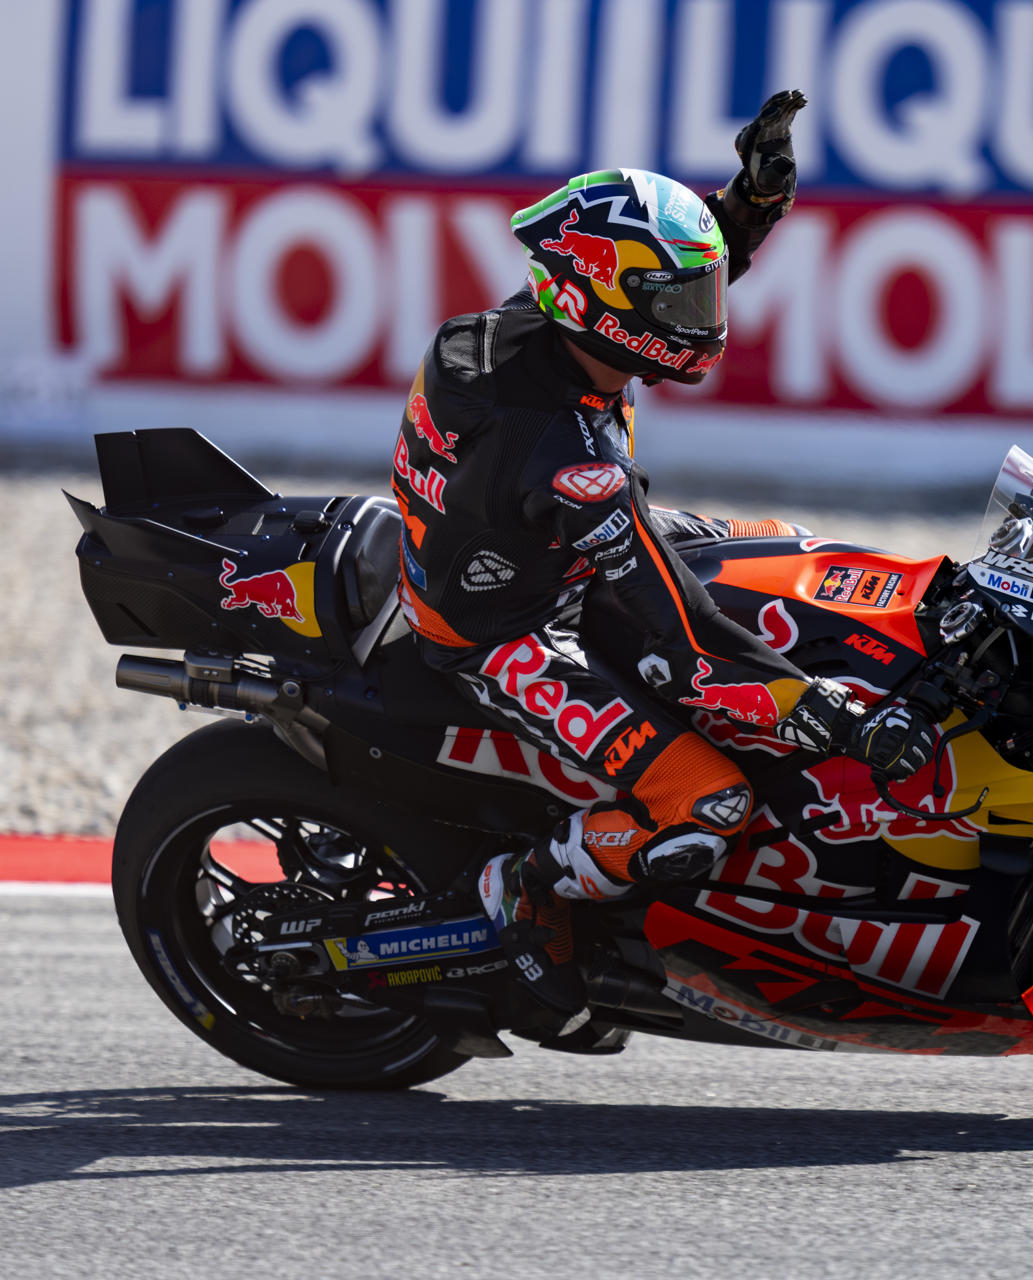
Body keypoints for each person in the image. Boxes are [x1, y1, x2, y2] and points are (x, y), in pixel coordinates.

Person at [387, 91, 939, 1034]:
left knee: (794, 554)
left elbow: (656, 273)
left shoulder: (552, 327)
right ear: (599, 303)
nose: (704, 317)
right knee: (711, 802)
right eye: (682, 304)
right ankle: (526, 888)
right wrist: (834, 715)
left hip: (553, 548)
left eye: (704, 293)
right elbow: (690, 645)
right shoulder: (559, 452)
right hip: (506, 631)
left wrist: (752, 205)